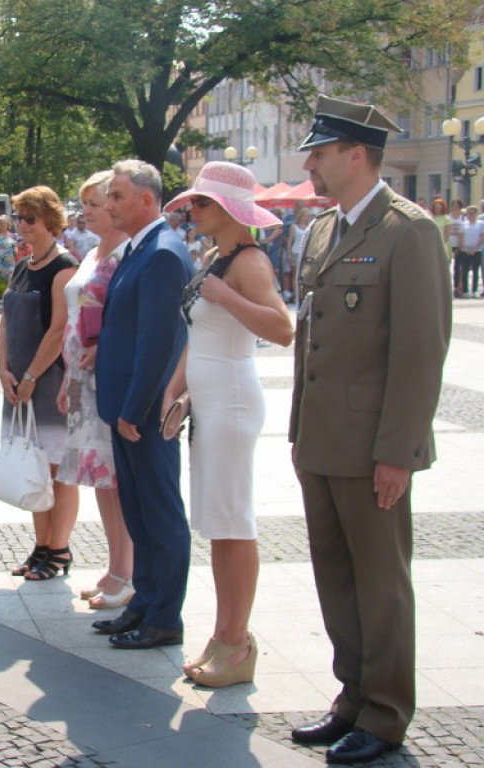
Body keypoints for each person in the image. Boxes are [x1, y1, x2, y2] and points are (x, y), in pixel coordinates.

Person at [288, 96, 450, 764]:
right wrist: (299, 431)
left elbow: (420, 352)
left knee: (380, 584)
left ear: (356, 155)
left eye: (320, 155)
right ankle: (351, 698)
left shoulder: (408, 231)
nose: (311, 167)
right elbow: (311, 338)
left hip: (371, 446)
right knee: (336, 576)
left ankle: (384, 714)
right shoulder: (325, 229)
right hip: (321, 439)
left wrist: (398, 453)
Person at [162, 162, 293, 686]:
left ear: (230, 209)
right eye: (193, 202)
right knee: (219, 524)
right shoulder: (216, 257)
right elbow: (200, 336)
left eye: (202, 202)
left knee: (233, 523)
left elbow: (282, 329)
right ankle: (223, 636)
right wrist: (176, 388)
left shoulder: (249, 260)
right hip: (211, 400)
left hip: (233, 401)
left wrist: (228, 297)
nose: (192, 210)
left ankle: (237, 644)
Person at [92, 159, 192, 650]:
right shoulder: (141, 248)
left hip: (146, 413)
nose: (108, 204)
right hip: (127, 408)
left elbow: (158, 343)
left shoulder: (163, 254)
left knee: (160, 513)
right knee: (138, 511)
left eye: (116, 196)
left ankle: (165, 617)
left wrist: (134, 408)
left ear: (146, 200)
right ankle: (145, 604)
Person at [56, 172, 133, 609]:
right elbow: (74, 317)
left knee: (117, 478)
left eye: (94, 203)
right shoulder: (91, 253)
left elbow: (129, 318)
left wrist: (102, 348)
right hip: (82, 377)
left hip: (108, 376)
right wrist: (67, 376)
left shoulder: (126, 253)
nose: (85, 211)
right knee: (101, 478)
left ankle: (127, 570)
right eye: (83, 203)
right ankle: (115, 565)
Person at [0, 186, 80, 581]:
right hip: (18, 383)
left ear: (50, 220)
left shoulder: (64, 267)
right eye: (19, 218)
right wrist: (3, 370)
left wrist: (31, 375)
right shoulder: (22, 266)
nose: (22, 225)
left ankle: (58, 548)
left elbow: (59, 329)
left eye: (30, 219)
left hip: (49, 382)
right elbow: (5, 322)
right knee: (34, 465)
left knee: (58, 470)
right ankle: (41, 545)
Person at [458, 205, 483, 298]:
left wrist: (475, 249)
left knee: (475, 271)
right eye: (469, 213)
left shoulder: (481, 224)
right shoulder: (463, 224)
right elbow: (460, 237)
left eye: (472, 213)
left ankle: (474, 290)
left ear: (476, 214)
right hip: (465, 251)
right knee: (465, 271)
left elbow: (482, 237)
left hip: (477, 250)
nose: (470, 215)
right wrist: (465, 248)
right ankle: (465, 291)